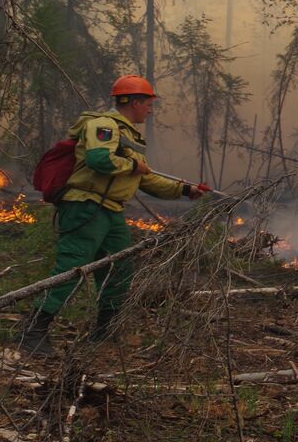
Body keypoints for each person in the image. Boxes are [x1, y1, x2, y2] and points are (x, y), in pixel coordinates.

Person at [16, 76, 208, 356]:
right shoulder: (103, 125)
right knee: (71, 268)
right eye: (148, 104)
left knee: (119, 270)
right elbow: (100, 160)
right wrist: (133, 165)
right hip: (87, 207)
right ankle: (33, 331)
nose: (150, 110)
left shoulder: (128, 135)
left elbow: (146, 180)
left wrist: (186, 190)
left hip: (111, 211)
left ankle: (106, 333)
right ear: (134, 102)